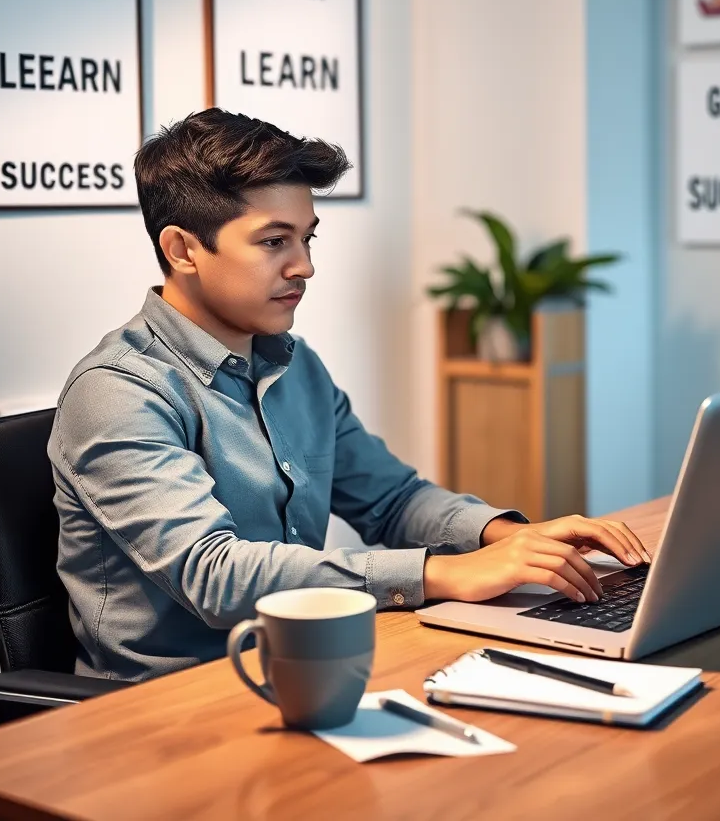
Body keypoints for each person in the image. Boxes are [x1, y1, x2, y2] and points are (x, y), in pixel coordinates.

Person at [48, 109, 648, 681]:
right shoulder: (118, 391)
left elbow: (390, 499)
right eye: (273, 241)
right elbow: (216, 575)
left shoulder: (292, 363)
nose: (304, 266)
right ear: (183, 249)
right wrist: (440, 573)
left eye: (307, 239)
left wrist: (506, 537)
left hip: (307, 663)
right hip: (165, 708)